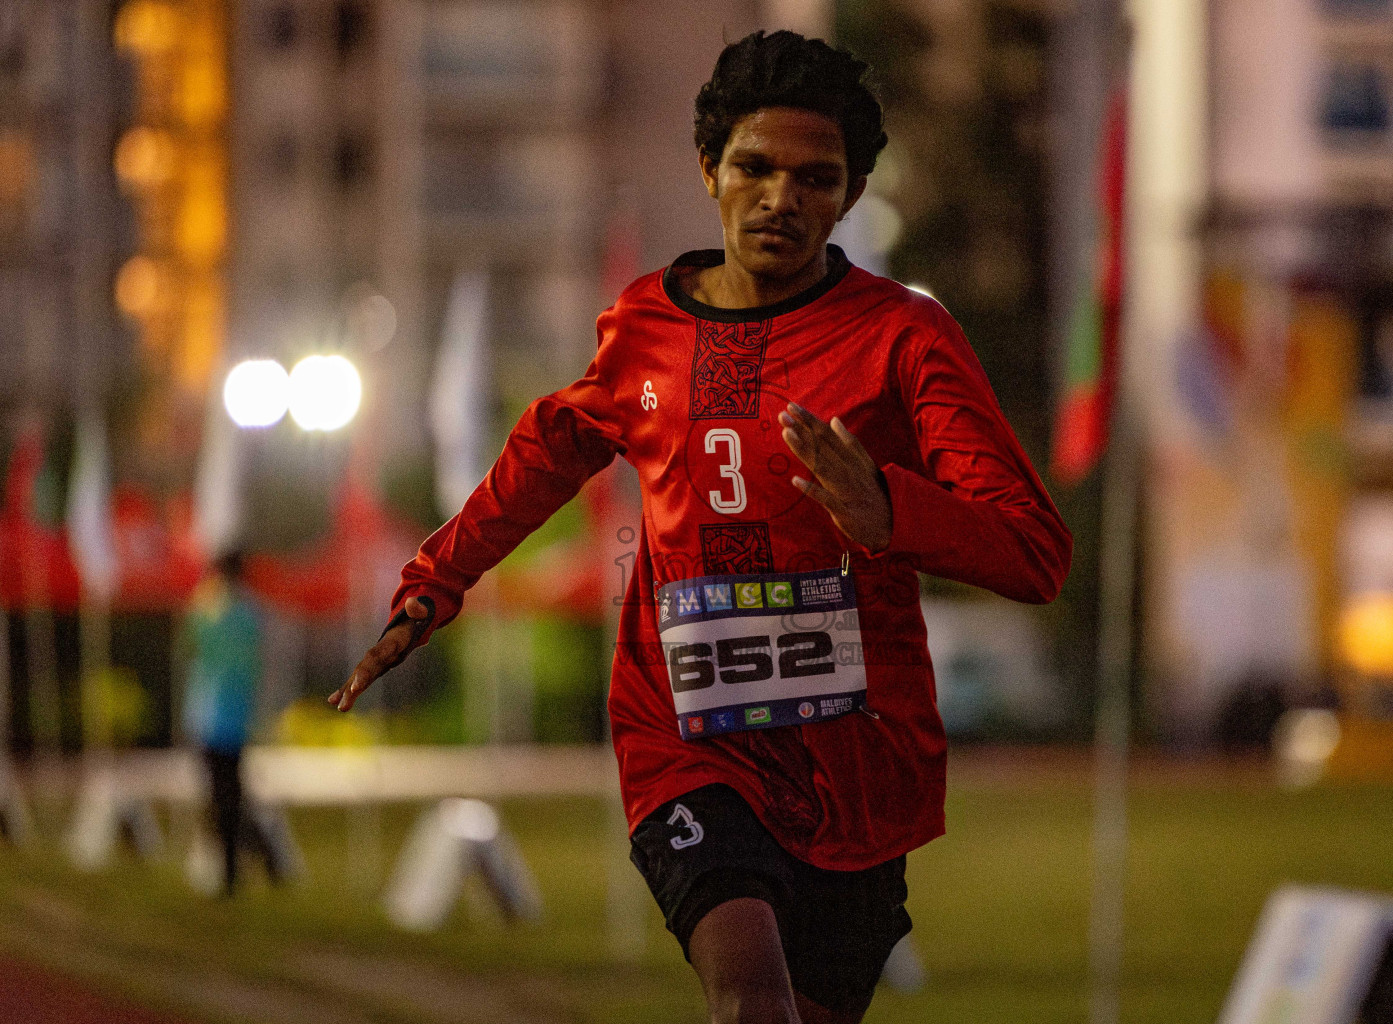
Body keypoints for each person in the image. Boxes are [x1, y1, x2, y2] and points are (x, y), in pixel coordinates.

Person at [333, 30, 1070, 1024]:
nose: (783, 198)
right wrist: (435, 580)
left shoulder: (904, 337)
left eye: (817, 177)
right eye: (756, 168)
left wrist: (891, 510)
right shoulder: (642, 329)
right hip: (687, 738)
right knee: (751, 1003)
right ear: (710, 170)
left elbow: (1033, 548)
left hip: (854, 762)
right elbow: (550, 447)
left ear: (849, 196)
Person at [182, 549, 281, 895]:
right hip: (234, 715)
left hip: (208, 715)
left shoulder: (206, 607)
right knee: (232, 794)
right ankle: (253, 859)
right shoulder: (250, 614)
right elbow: (256, 666)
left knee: (221, 796)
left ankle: (237, 866)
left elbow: (192, 649)